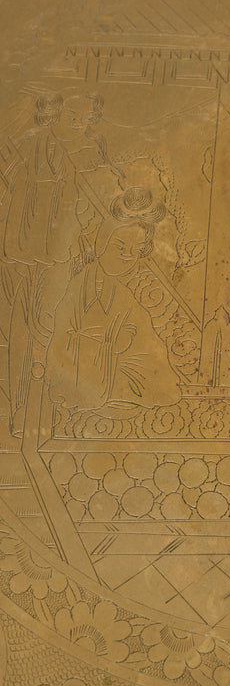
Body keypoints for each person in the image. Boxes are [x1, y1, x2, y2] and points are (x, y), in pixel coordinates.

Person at [2, 92, 114, 435]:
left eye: (85, 119)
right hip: (29, 248)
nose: (79, 124)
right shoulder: (36, 148)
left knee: (52, 321)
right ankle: (19, 408)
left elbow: (100, 199)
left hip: (65, 254)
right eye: (72, 117)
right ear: (54, 115)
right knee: (22, 324)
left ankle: (45, 408)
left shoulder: (89, 152)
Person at [46, 188, 181, 415]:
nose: (127, 256)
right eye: (120, 247)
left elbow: (139, 330)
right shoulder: (77, 283)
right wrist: (86, 341)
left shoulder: (123, 294)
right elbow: (62, 325)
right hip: (80, 359)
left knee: (154, 379)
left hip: (112, 360)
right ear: (101, 244)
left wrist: (124, 338)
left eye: (135, 251)